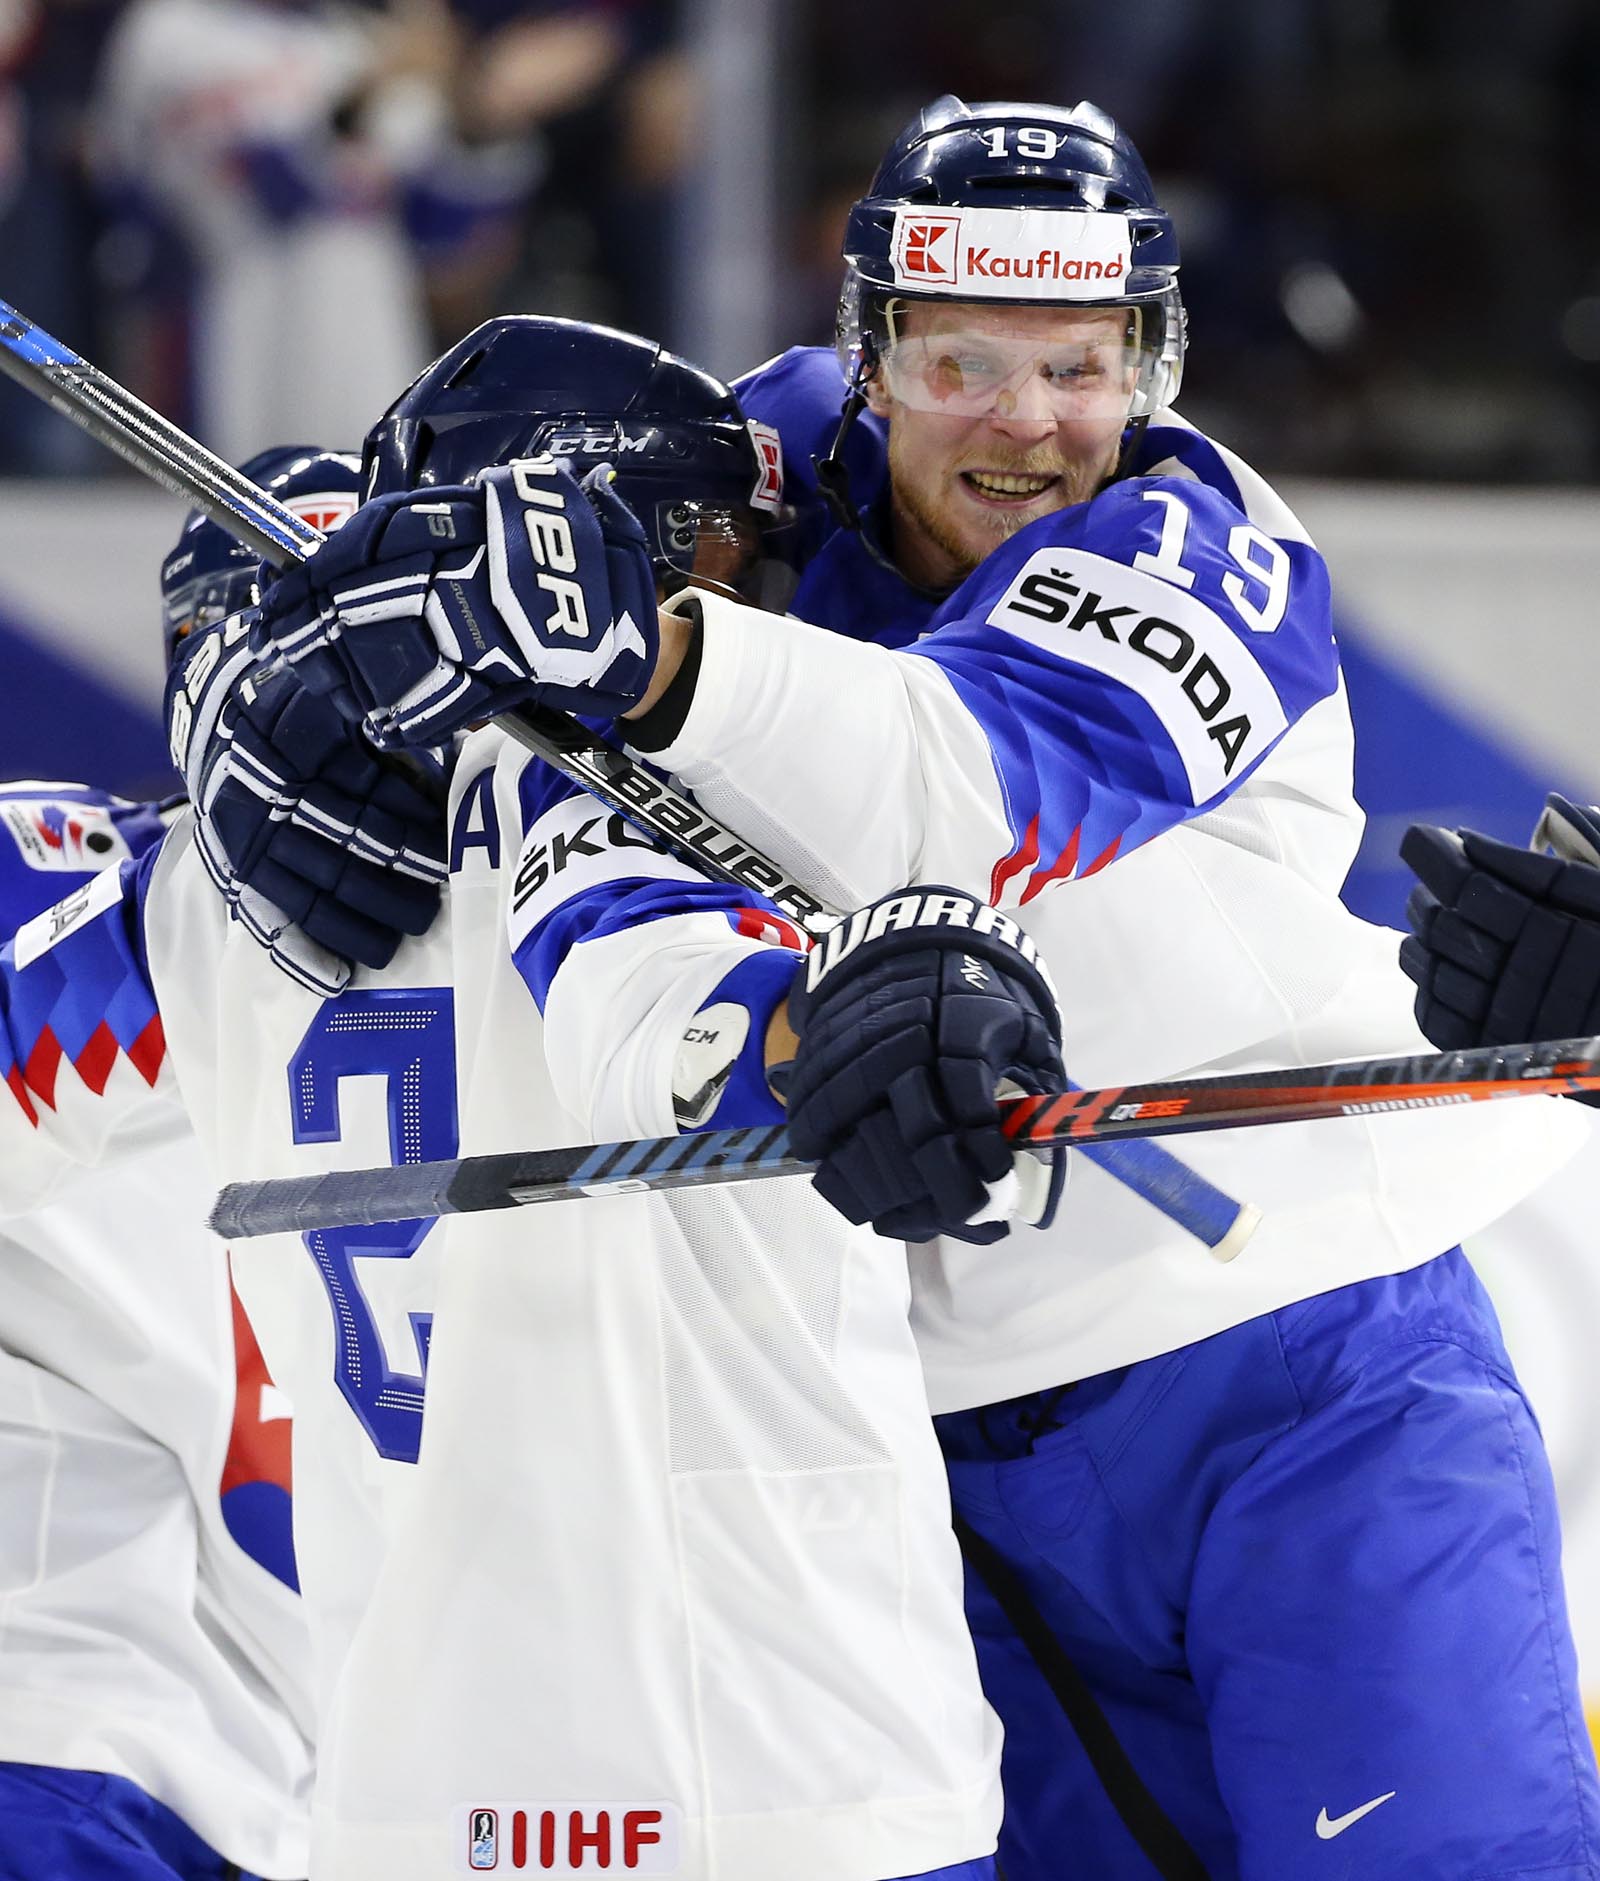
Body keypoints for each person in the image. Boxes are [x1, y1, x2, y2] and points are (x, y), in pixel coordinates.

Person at [253, 99, 1600, 1880]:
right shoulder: (740, 479)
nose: (1025, 423)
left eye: (1078, 365)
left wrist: (643, 656)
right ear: (869, 354)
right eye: (961, 360)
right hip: (933, 1446)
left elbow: (967, 791)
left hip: (1304, 1376)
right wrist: (277, 693)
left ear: (1150, 367)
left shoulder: (1208, 542)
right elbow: (434, 535)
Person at [2, 319, 1008, 1881]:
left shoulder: (183, 908)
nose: (756, 605)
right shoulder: (629, 810)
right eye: (717, 550)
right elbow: (664, 988)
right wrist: (827, 1025)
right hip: (771, 1779)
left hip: (413, 1801)